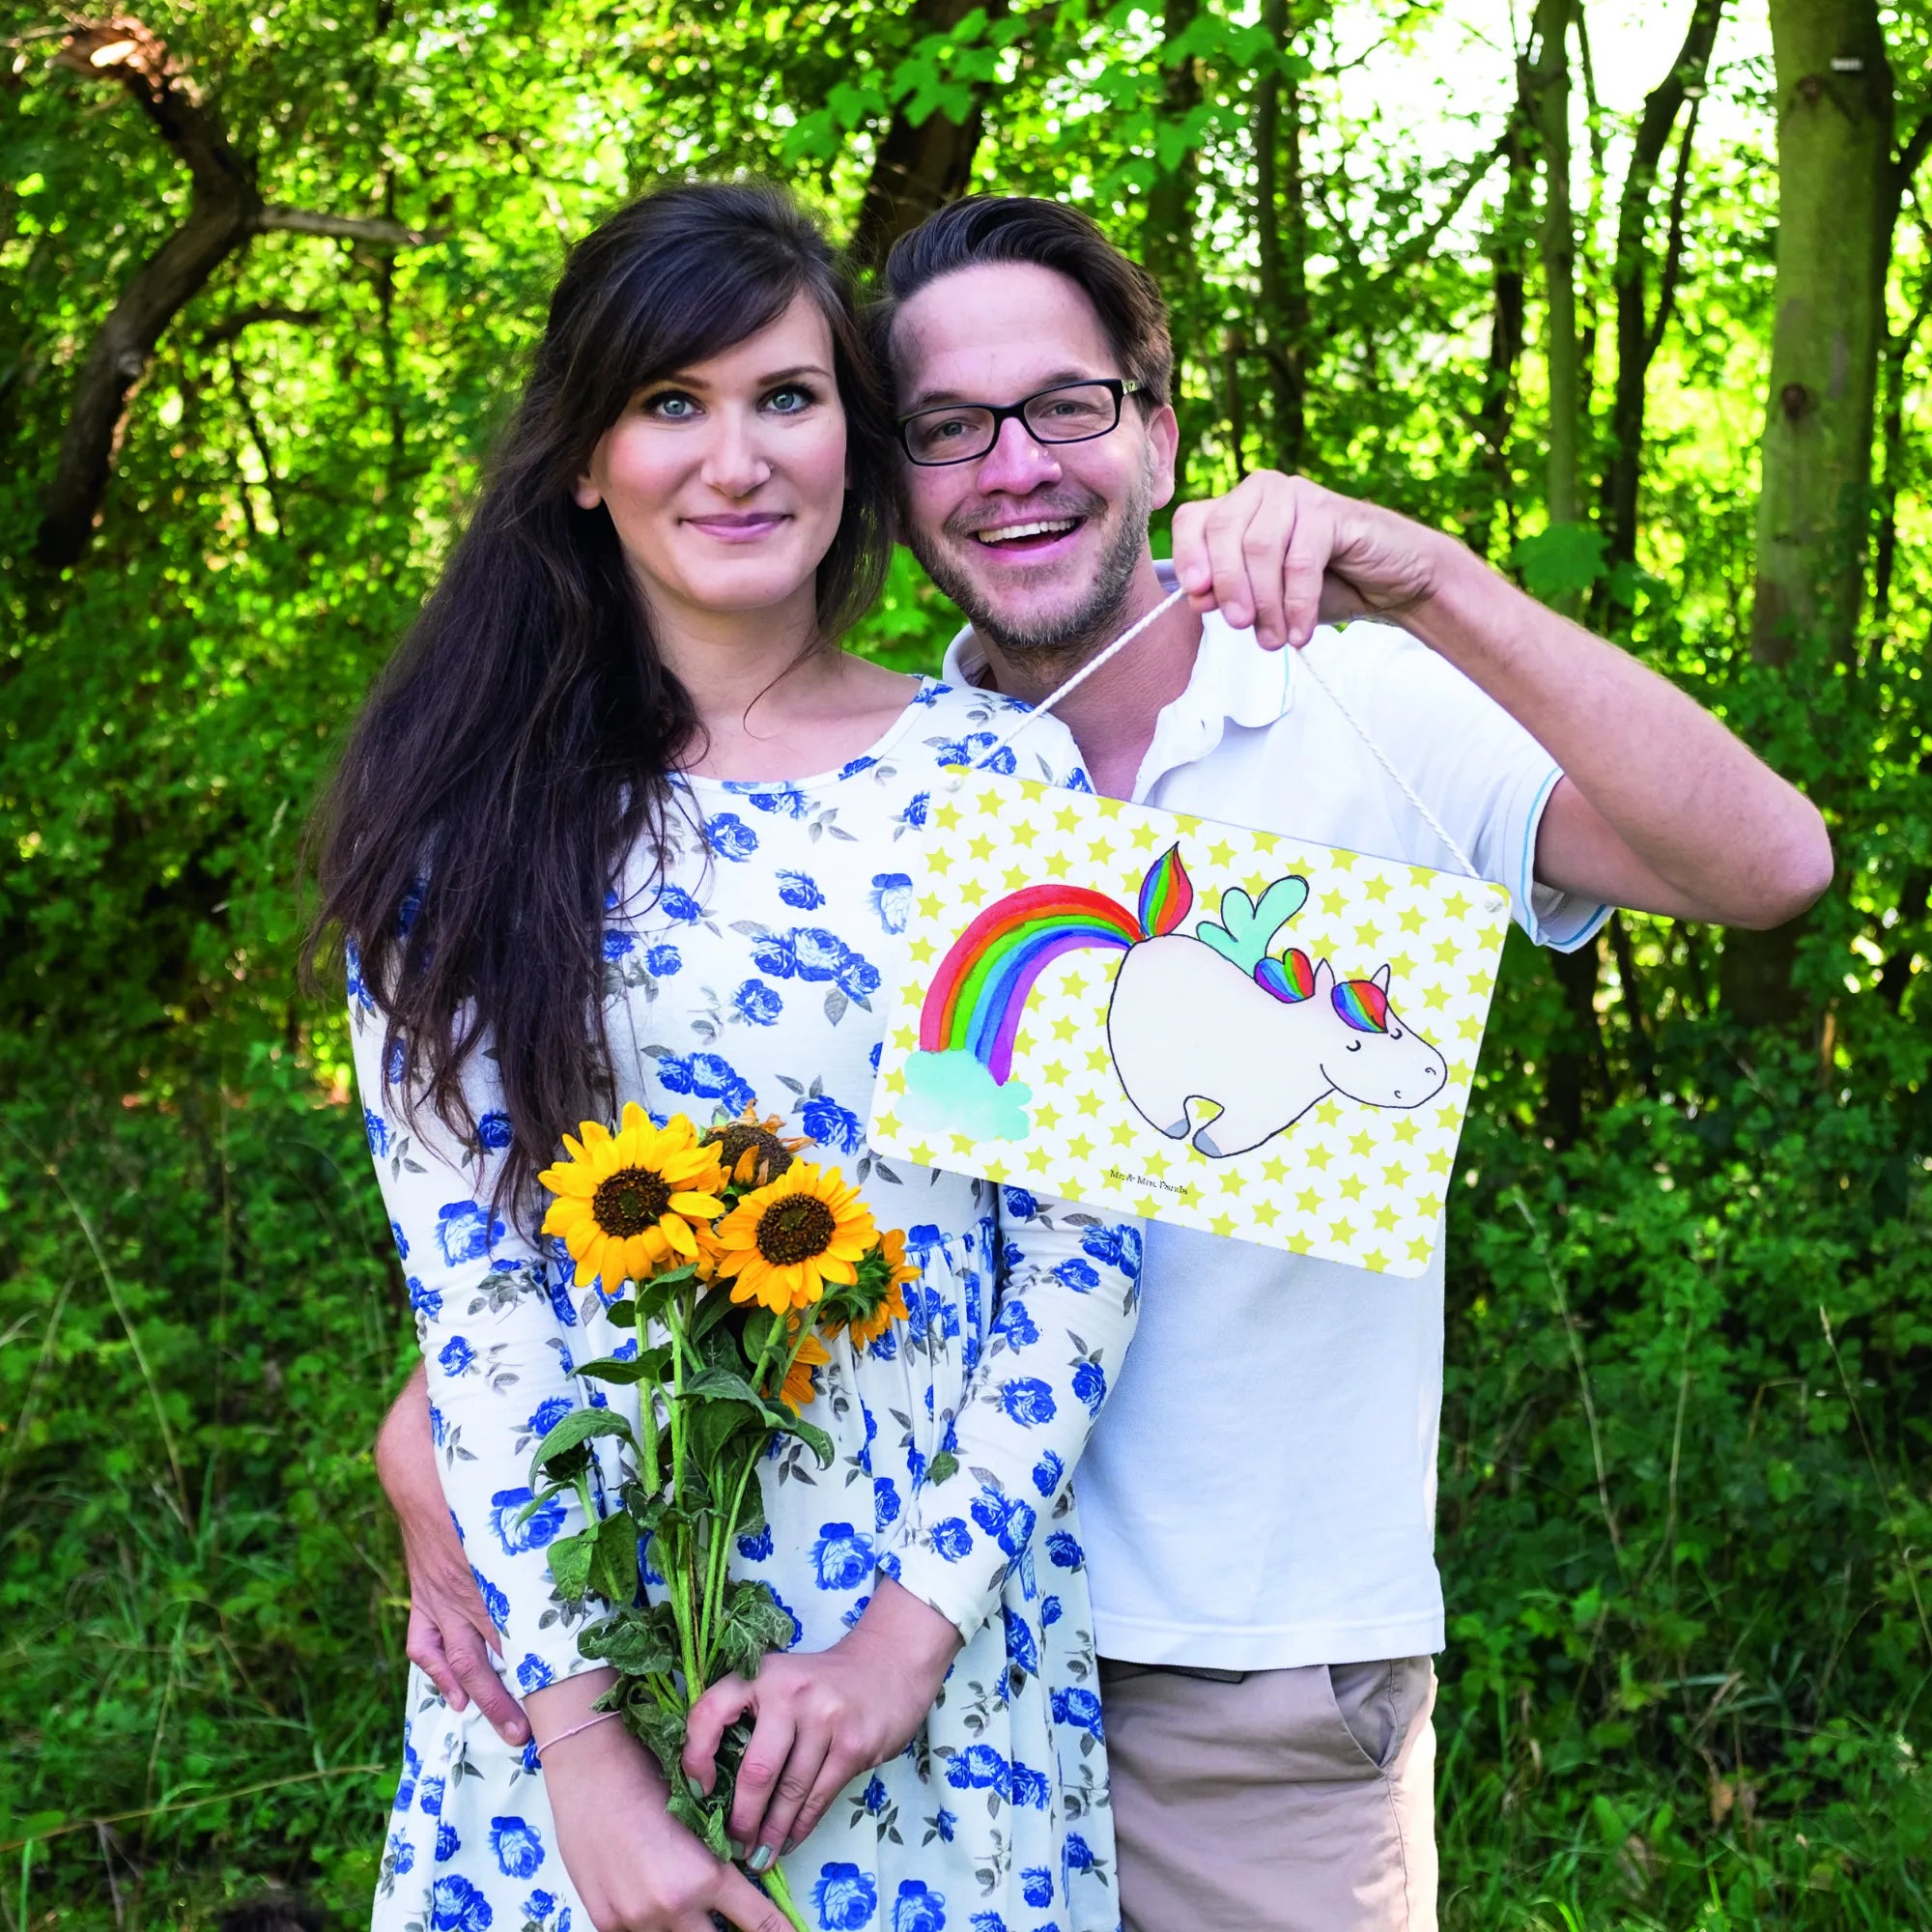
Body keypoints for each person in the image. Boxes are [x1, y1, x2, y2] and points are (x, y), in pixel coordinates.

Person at [379, 191, 1833, 1930]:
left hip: (1236, 1677)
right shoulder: (901, 783)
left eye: (1064, 407)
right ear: (894, 470)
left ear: (1159, 430)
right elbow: (669, 1174)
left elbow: (1771, 867)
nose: (1014, 467)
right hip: (828, 1648)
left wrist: (1431, 577)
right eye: (949, 427)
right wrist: (439, 1426)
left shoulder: (1345, 704)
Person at [314, 183, 1150, 1932]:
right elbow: (477, 1301)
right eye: (670, 403)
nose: (738, 458)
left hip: (929, 1669)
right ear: (584, 458)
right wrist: (586, 1764)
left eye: (787, 396)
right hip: (572, 1667)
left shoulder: (999, 781)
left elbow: (1077, 1254)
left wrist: (902, 1647)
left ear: (855, 435)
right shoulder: (462, 825)